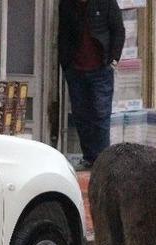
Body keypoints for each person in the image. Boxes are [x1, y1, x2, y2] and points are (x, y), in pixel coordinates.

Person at [58, 0, 125, 169]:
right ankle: (89, 158)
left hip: (101, 69)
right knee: (81, 115)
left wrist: (113, 60)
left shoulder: (106, 3)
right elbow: (63, 34)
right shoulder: (67, 4)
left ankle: (102, 162)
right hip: (75, 69)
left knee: (100, 115)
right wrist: (65, 63)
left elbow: (118, 31)